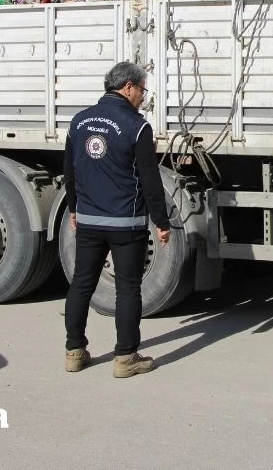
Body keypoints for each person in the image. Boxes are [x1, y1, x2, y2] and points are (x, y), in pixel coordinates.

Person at [63, 61, 171, 379]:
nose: (143, 97)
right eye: (142, 90)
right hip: (126, 223)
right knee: (127, 289)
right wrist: (162, 222)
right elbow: (150, 180)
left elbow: (69, 170)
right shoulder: (136, 126)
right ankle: (125, 357)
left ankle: (74, 351)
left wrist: (73, 208)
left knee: (81, 285)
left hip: (89, 220)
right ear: (128, 88)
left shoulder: (79, 122)